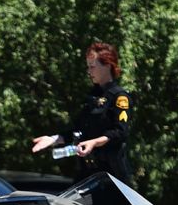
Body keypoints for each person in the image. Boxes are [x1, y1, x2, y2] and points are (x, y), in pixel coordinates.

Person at [31, 42, 133, 185]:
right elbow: (78, 130)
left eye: (92, 66)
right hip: (87, 173)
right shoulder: (92, 97)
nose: (89, 71)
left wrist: (94, 142)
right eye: (88, 67)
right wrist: (53, 139)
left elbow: (120, 132)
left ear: (107, 65)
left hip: (110, 177)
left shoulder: (119, 97)